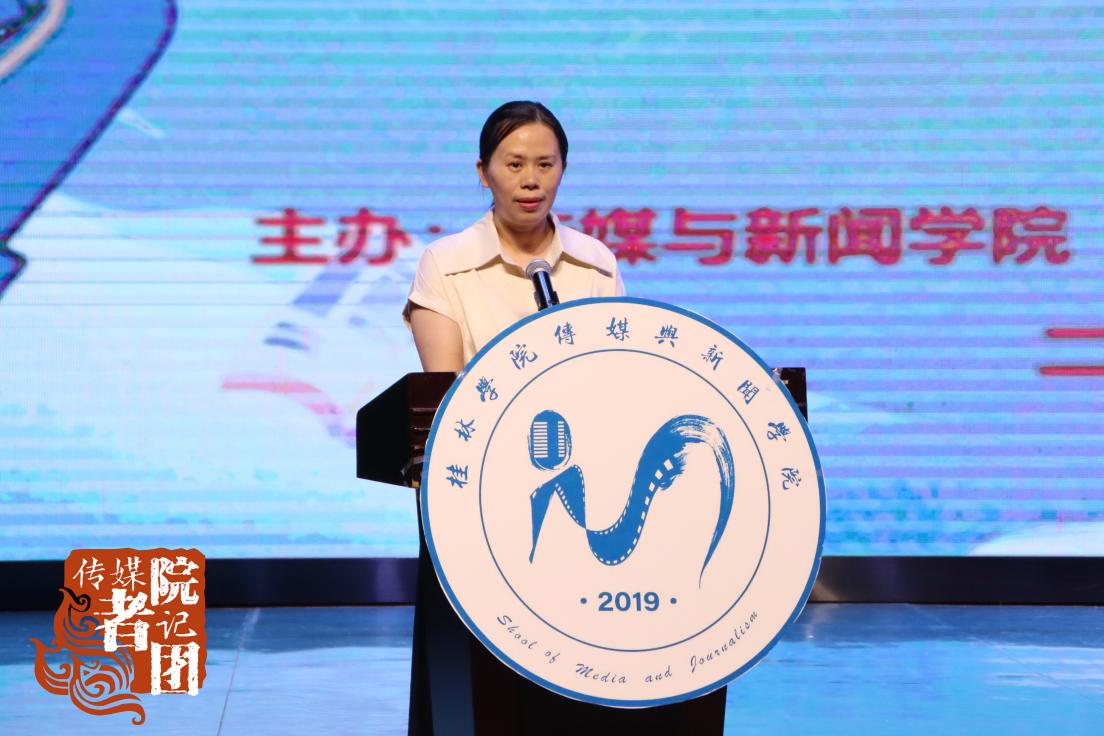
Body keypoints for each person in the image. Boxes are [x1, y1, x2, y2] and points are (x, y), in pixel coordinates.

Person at [404, 101, 625, 372]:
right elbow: (443, 390)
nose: (531, 180)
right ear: (484, 172)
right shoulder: (444, 264)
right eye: (515, 165)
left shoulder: (597, 263)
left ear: (562, 169)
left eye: (545, 165)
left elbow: (615, 373)